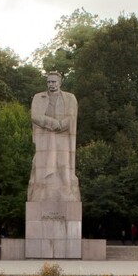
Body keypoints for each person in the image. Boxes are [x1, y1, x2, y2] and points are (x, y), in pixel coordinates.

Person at [28, 71, 80, 202]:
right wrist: (53, 123)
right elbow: (35, 116)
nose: (51, 84)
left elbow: (72, 117)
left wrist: (61, 125)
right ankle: (42, 193)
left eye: (54, 81)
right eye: (49, 82)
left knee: (63, 163)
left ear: (60, 82)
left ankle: (66, 192)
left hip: (63, 137)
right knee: (43, 165)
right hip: (45, 136)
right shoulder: (38, 97)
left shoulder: (70, 98)